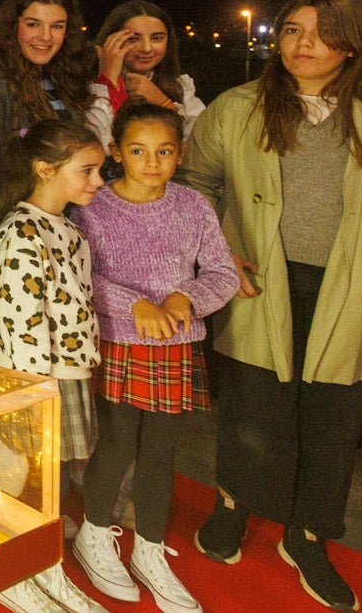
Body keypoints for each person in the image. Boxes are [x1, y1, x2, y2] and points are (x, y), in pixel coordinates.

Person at [180, 0, 362, 613]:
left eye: (321, 34)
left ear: (352, 44)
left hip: (353, 287)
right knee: (253, 405)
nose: (301, 44)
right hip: (260, 279)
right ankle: (233, 506)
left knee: (334, 416)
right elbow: (195, 185)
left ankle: (309, 534)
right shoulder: (238, 107)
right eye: (292, 30)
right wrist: (220, 251)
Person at [68, 103, 239, 613]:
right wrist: (134, 303)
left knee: (162, 451)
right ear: (117, 152)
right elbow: (82, 278)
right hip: (119, 343)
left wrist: (186, 297)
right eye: (138, 151)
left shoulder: (192, 206)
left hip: (175, 347)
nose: (152, 162)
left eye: (165, 151)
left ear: (181, 153)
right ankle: (95, 534)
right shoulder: (93, 208)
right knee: (117, 443)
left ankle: (148, 548)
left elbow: (224, 274)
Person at [0, 118, 110, 613]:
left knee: (46, 478)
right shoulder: (21, 232)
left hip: (66, 375)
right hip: (35, 381)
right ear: (44, 169)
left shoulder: (67, 230)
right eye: (88, 170)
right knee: (25, 477)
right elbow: (20, 321)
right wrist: (35, 391)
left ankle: (40, 564)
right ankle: (13, 569)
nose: (98, 181)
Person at [0, 0, 97, 136]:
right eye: (33, 24)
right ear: (13, 26)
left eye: (57, 26)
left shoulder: (65, 78)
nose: (46, 36)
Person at [85, 0, 207, 145]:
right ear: (110, 40)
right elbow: (95, 144)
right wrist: (107, 80)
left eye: (156, 38)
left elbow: (201, 143)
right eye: (133, 39)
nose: (147, 48)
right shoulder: (83, 85)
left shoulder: (180, 86)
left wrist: (165, 103)